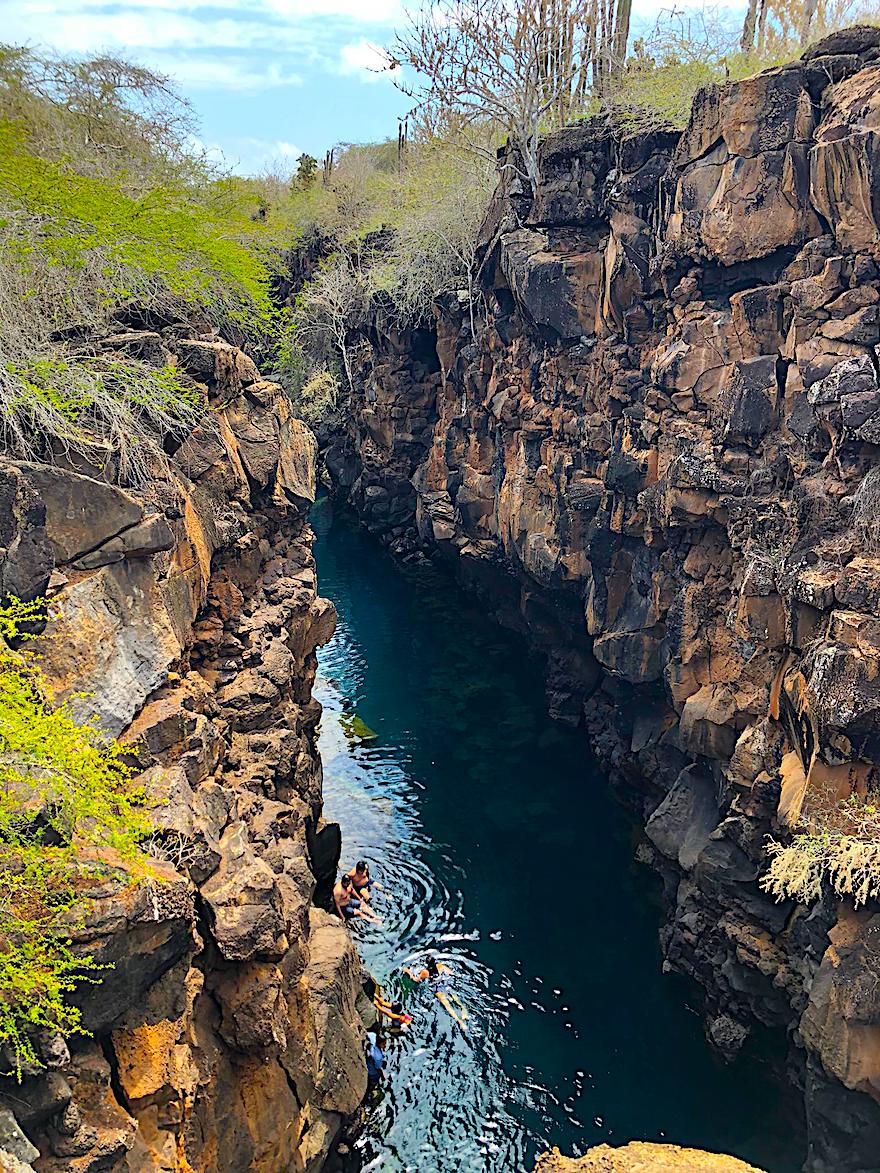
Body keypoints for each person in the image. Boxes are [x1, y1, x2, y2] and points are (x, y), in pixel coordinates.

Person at [404, 955, 469, 1031]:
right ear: (434, 961)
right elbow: (451, 973)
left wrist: (408, 971)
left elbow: (416, 980)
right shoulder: (440, 966)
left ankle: (460, 1022)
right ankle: (464, 1012)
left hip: (437, 988)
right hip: (445, 984)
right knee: (457, 1000)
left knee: (447, 1006)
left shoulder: (425, 972)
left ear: (427, 963)